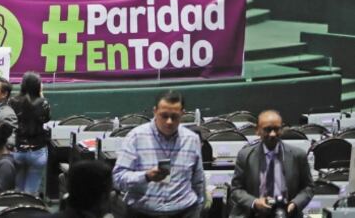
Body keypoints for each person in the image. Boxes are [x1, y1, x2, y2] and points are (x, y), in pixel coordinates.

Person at [112, 90, 205, 218]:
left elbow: (198, 181)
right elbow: (117, 179)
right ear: (155, 111)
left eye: (174, 116)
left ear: (182, 113)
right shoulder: (135, 137)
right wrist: (146, 176)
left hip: (184, 212)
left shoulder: (192, 139)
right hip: (142, 213)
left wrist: (198, 210)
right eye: (164, 116)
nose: (169, 122)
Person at [228, 109, 313, 218]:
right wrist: (254, 203)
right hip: (253, 214)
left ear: (282, 130)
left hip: (287, 213)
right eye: (267, 129)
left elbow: (308, 187)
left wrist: (295, 204)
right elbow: (236, 190)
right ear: (257, 130)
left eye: (276, 129)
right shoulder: (245, 155)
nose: (272, 134)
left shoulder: (298, 155)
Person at [11, 71, 51, 195]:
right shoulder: (43, 102)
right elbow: (47, 118)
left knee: (18, 190)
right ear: (38, 86)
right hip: (37, 150)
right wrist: (41, 95)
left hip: (18, 149)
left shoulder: (13, 101)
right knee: (31, 193)